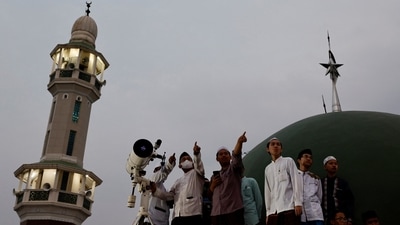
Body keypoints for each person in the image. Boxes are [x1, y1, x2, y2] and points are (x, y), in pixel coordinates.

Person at [151, 142, 205, 225]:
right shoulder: (177, 181)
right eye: (184, 159)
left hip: (193, 216)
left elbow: (199, 164)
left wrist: (196, 154)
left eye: (189, 159)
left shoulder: (197, 174)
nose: (186, 160)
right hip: (177, 217)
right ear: (180, 165)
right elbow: (169, 196)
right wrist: (156, 191)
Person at [209, 131, 247, 225]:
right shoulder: (214, 177)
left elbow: (237, 157)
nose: (223, 155)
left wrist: (239, 143)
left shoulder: (234, 169)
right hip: (216, 214)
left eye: (226, 153)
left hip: (233, 212)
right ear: (217, 159)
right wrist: (212, 186)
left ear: (230, 157)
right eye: (220, 154)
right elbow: (209, 196)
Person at [264, 137, 303, 225]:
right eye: (273, 144)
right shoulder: (267, 169)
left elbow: (296, 181)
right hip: (274, 211)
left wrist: (298, 203)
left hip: (289, 207)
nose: (276, 146)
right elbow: (268, 191)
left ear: (281, 149)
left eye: (278, 144)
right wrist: (268, 213)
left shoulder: (288, 161)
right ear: (268, 149)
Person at [321, 156, 355, 225]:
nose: (334, 165)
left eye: (335, 164)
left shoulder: (343, 183)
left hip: (341, 220)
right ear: (325, 167)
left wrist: (349, 219)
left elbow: (350, 201)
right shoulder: (320, 183)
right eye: (331, 163)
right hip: (325, 219)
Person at [297, 149, 324, 225]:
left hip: (316, 216)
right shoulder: (293, 177)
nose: (309, 159)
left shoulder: (315, 178)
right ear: (299, 160)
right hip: (300, 216)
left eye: (310, 158)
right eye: (306, 156)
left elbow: (319, 197)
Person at [148, 153, 176, 225]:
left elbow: (167, 196)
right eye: (159, 169)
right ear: (155, 171)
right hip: (152, 221)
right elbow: (162, 173)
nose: (162, 171)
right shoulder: (151, 180)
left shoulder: (163, 188)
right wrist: (169, 165)